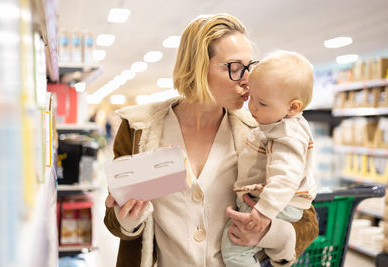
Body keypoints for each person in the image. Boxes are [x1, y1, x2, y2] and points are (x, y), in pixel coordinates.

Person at [104, 14, 318, 267]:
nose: (248, 79)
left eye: (250, 67)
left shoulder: (261, 132)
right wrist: (127, 217)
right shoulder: (141, 128)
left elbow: (307, 222)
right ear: (197, 66)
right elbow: (115, 222)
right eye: (235, 67)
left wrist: (266, 231)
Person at [221, 51, 317, 267]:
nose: (252, 107)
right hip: (275, 203)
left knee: (234, 251)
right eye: (252, 97)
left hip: (273, 205)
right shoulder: (278, 125)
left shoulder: (286, 133)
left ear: (293, 107)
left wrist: (263, 212)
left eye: (262, 103)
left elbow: (286, 176)